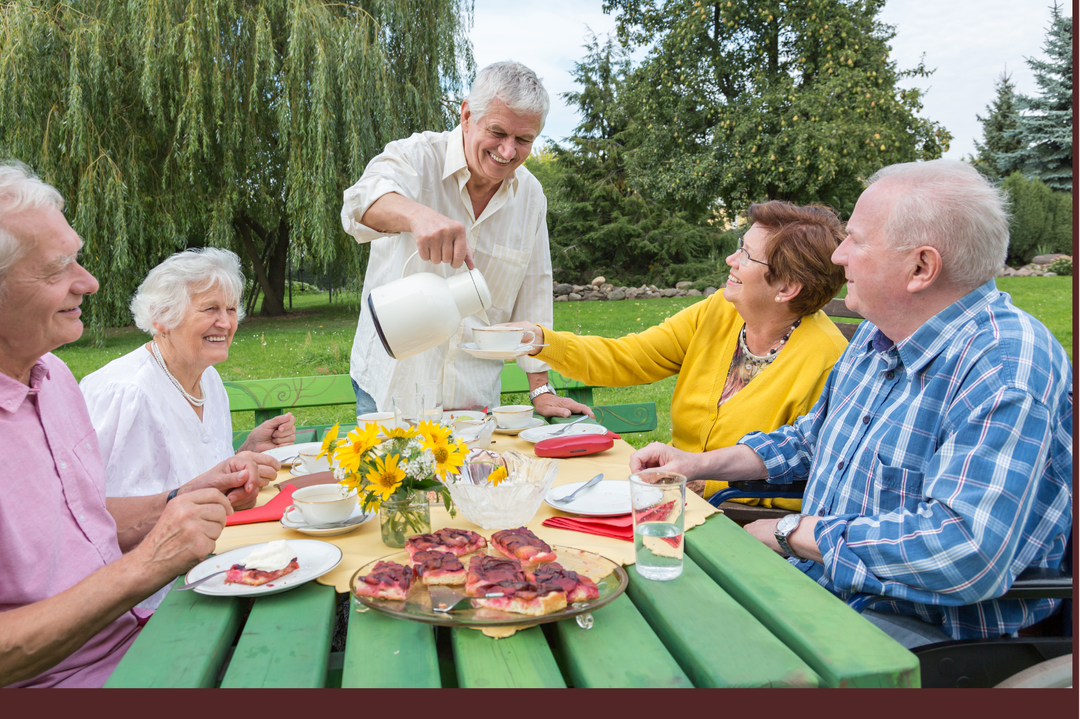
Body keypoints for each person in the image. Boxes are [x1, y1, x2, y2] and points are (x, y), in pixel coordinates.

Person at [630, 160, 1073, 646]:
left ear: (921, 267)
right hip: (822, 587)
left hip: (926, 631)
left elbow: (965, 550)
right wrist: (695, 463)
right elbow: (809, 439)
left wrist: (792, 533)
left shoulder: (1004, 366)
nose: (839, 256)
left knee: (686, 652)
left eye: (857, 240)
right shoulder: (878, 337)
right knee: (643, 613)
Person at [0, 162, 282, 687]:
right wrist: (145, 567)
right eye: (56, 270)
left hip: (138, 636)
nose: (89, 283)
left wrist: (180, 498)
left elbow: (77, 519)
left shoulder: (47, 375)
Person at [511, 201, 848, 508]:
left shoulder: (827, 359)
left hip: (735, 523)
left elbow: (810, 481)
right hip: (670, 496)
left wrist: (711, 482)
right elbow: (629, 357)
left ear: (786, 288)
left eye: (746, 255)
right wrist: (541, 341)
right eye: (738, 248)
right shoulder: (720, 311)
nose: (731, 260)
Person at [341, 60, 592, 420]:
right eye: (498, 133)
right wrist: (417, 215)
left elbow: (533, 299)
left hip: (473, 398)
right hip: (391, 387)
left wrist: (540, 388)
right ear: (467, 114)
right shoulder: (418, 157)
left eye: (523, 140)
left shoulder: (531, 196)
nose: (508, 152)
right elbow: (357, 205)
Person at [79, 247, 297, 608]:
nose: (226, 323)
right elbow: (91, 521)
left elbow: (195, 478)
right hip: (149, 601)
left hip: (214, 567)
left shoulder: (207, 379)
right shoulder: (126, 392)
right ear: (162, 317)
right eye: (211, 309)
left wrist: (247, 452)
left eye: (230, 309)